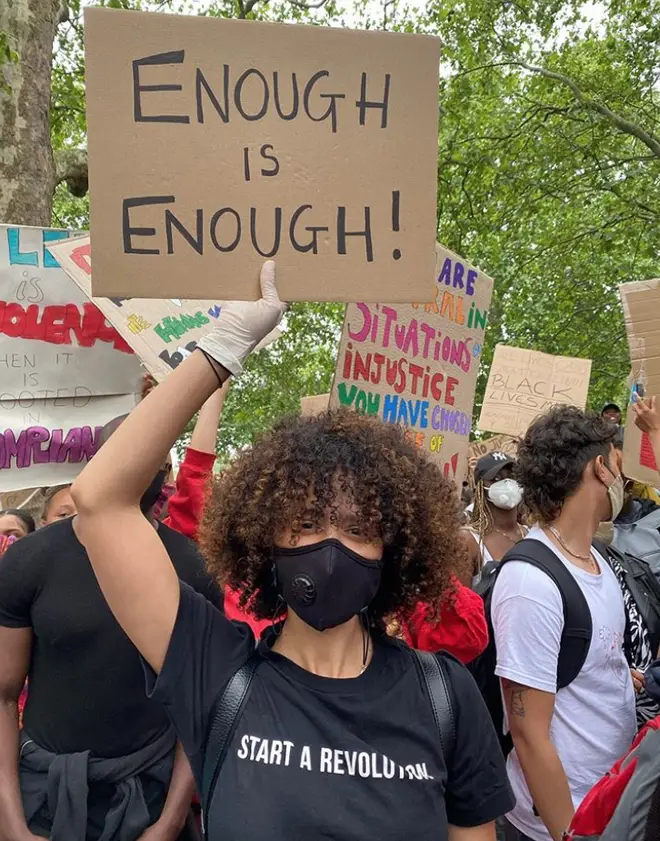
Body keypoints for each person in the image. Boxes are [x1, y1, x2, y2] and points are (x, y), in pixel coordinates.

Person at [71, 262, 514, 841]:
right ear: (264, 536)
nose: (330, 546)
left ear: (394, 548)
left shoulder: (444, 695)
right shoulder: (215, 670)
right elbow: (100, 499)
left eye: (358, 529)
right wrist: (222, 350)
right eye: (306, 522)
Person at [0, 413, 224, 841]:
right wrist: (11, 822)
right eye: (123, 454)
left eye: (154, 460)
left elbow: (199, 709)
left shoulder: (195, 570)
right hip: (42, 798)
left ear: (168, 472)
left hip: (148, 799)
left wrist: (170, 821)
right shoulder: (31, 561)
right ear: (96, 464)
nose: (138, 468)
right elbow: (3, 695)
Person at [491, 406, 636, 841]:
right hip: (559, 822)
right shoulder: (531, 582)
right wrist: (571, 833)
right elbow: (528, 734)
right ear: (601, 467)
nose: (625, 477)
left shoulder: (598, 561)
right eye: (619, 460)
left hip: (608, 804)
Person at [462, 453, 527, 585]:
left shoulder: (531, 535)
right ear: (481, 488)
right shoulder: (469, 540)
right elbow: (459, 602)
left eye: (512, 476)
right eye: (496, 478)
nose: (508, 483)